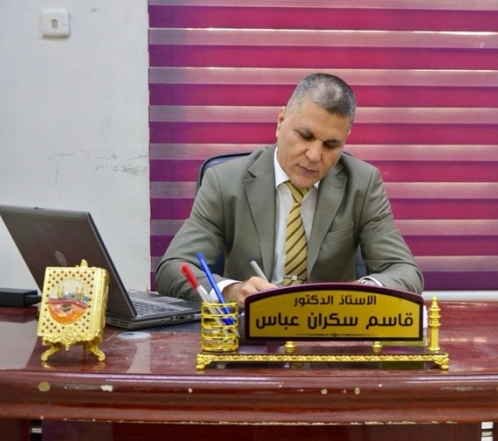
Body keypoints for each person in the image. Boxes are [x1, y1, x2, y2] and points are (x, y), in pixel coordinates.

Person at [155, 73, 423, 305]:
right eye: (305, 136)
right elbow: (173, 268)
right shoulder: (225, 181)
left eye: (331, 145)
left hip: (327, 331)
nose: (314, 155)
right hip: (251, 332)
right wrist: (232, 291)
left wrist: (357, 294)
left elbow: (405, 271)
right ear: (280, 121)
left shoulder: (362, 184)